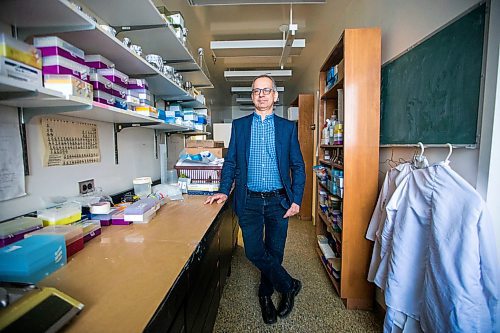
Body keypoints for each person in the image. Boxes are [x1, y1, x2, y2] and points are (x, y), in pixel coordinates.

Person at [205, 74, 306, 324]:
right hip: (248, 200)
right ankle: (288, 284)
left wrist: (296, 199)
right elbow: (230, 162)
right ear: (252, 96)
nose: (261, 94)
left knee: (275, 250)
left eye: (266, 90)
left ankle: (265, 294)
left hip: (279, 201)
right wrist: (223, 188)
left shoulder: (287, 128)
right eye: (256, 91)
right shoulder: (240, 126)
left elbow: (298, 166)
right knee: (253, 251)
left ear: (274, 95)